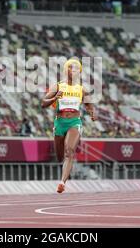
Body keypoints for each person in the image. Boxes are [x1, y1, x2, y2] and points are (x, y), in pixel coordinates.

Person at [41, 58, 96, 193]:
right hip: (60, 123)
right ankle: (63, 171)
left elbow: (89, 105)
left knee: (69, 151)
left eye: (77, 68)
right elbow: (43, 103)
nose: (74, 70)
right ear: (67, 70)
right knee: (60, 156)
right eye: (71, 68)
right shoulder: (58, 86)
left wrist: (92, 113)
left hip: (74, 122)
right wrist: (54, 98)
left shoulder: (82, 89)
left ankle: (62, 182)